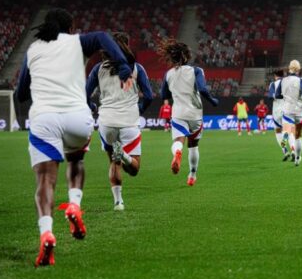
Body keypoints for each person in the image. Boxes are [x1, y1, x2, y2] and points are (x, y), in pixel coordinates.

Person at [14, 8, 132, 267]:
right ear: (70, 28)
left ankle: (46, 232)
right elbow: (102, 36)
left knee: (45, 180)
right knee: (76, 160)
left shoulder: (33, 51)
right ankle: (75, 205)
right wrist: (123, 66)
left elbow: (21, 93)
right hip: (78, 118)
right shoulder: (78, 42)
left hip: (45, 119)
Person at [86, 32, 153, 211]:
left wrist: (93, 107)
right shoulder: (136, 68)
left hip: (106, 122)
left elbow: (84, 94)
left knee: (113, 163)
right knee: (134, 169)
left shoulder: (98, 69)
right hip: (129, 121)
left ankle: (118, 202)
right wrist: (139, 109)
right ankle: (123, 154)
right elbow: (149, 96)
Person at [159, 39, 219, 186]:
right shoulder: (196, 71)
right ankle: (192, 175)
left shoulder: (168, 74)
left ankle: (177, 152)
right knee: (193, 144)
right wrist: (212, 101)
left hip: (178, 113)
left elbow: (163, 96)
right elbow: (203, 89)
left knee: (178, 141)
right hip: (195, 114)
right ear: (186, 56)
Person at [274, 60, 302, 166]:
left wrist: (286, 96)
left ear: (289, 68)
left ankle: (285, 134)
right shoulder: (301, 80)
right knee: (298, 136)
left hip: (288, 110)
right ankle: (298, 158)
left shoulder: (283, 80)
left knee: (287, 128)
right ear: (298, 69)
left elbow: (277, 95)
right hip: (300, 111)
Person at [266, 69, 290, 160]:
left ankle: (285, 151)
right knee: (288, 130)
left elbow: (270, 96)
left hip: (276, 112)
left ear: (276, 76)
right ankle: (291, 148)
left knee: (278, 131)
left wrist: (275, 96)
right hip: (287, 110)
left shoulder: (273, 84)